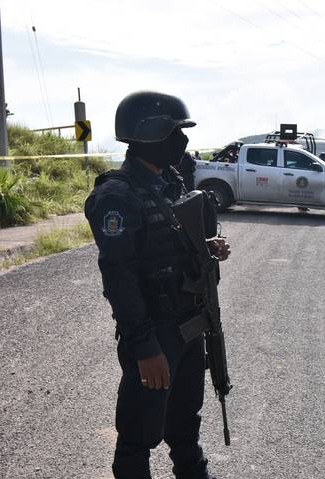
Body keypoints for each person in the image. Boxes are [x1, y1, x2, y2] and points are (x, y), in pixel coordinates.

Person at [85, 91, 231, 479]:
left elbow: (167, 242)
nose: (182, 141)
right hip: (155, 330)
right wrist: (145, 348)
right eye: (175, 132)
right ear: (150, 133)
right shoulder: (116, 196)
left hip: (189, 324)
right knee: (139, 431)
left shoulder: (170, 181)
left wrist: (205, 246)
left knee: (184, 420)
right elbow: (120, 279)